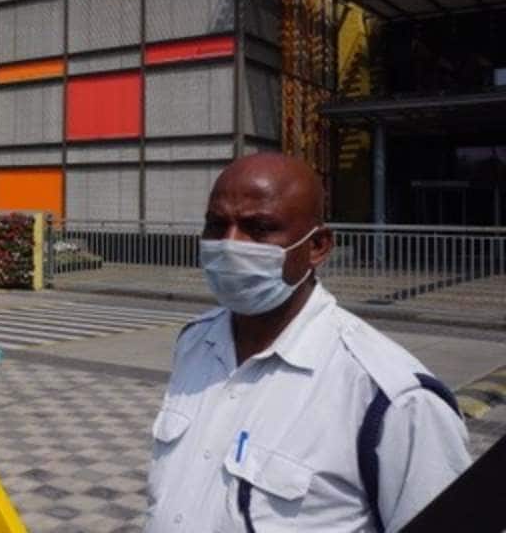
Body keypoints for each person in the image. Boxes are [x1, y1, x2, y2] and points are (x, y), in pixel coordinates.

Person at [145, 153, 469, 532]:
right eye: (217, 225)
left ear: (317, 246)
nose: (230, 244)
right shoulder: (195, 342)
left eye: (259, 228)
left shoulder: (393, 398)